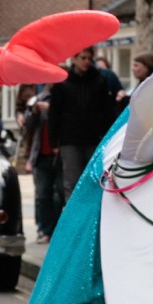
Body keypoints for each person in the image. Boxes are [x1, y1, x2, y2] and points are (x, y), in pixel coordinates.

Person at [46, 47, 121, 203]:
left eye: (89, 58)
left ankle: (92, 218)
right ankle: (73, 219)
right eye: (82, 58)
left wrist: (108, 137)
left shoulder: (99, 80)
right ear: (74, 59)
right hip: (70, 139)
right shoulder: (63, 82)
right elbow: (54, 113)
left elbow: (107, 110)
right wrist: (54, 141)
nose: (86, 62)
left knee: (94, 180)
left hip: (94, 138)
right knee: (72, 182)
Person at [21, 85, 62, 241]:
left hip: (60, 154)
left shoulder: (63, 97)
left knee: (59, 194)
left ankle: (55, 229)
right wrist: (34, 112)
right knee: (43, 194)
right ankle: (46, 230)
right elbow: (28, 126)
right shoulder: (38, 99)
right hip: (41, 154)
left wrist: (51, 109)